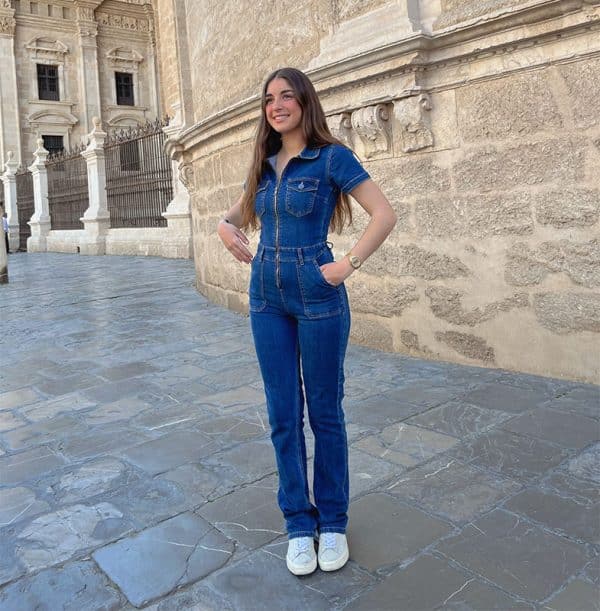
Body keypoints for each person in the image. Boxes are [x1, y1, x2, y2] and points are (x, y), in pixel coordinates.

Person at [217, 67, 397, 576]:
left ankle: (333, 521)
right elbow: (235, 216)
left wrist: (346, 266)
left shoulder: (331, 157)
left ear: (304, 102)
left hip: (318, 293)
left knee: (324, 411)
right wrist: (222, 227)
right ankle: (299, 523)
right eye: (269, 98)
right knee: (282, 414)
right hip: (266, 298)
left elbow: (383, 214)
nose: (277, 105)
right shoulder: (264, 164)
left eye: (286, 96)